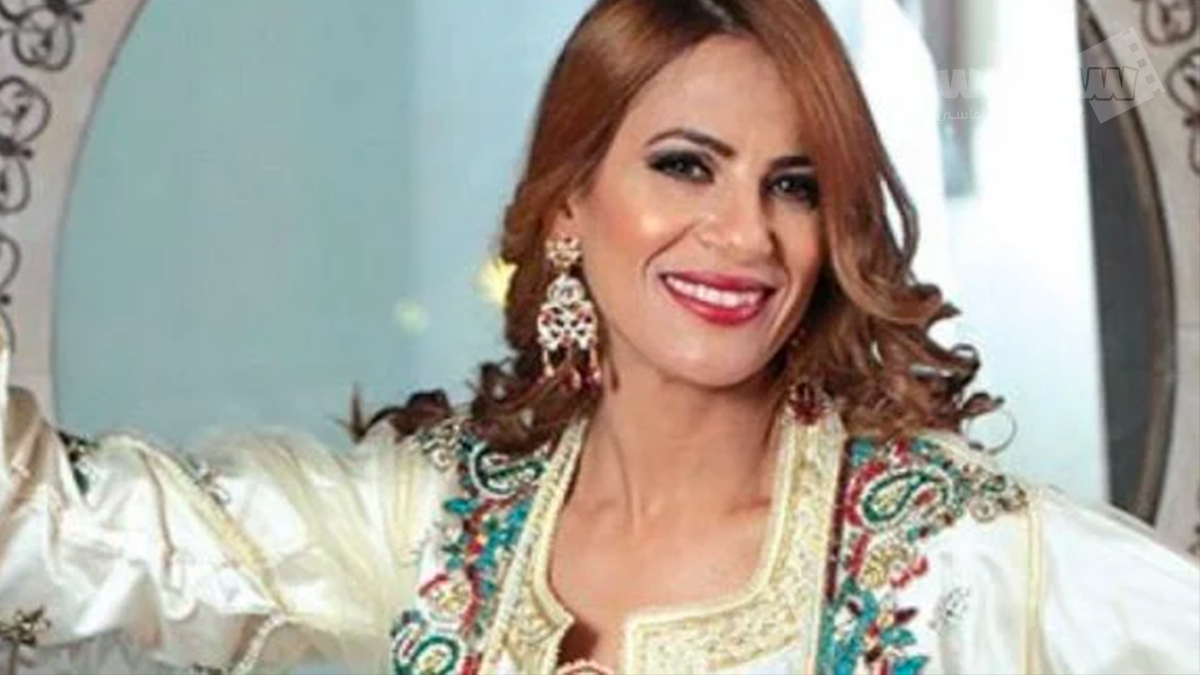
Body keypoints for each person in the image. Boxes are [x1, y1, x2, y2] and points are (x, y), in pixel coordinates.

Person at [2, 0, 1198, 673]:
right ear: (569, 204)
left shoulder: (952, 556)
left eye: (792, 186)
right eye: (686, 167)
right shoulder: (446, 520)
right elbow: (54, 536)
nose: (745, 235)